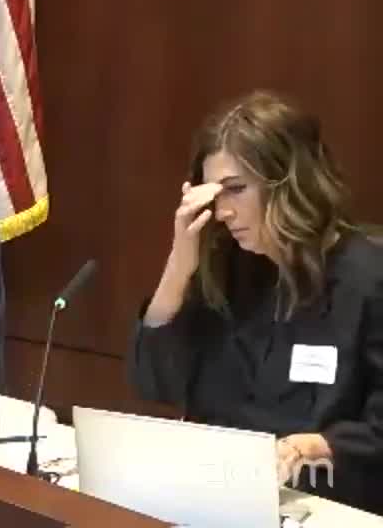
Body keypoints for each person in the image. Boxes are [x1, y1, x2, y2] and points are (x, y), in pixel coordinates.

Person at [129, 90, 383, 514]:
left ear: (290, 181)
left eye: (235, 190)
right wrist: (177, 268)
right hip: (218, 500)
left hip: (326, 504)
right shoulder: (228, 268)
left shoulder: (369, 277)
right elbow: (152, 384)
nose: (222, 212)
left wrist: (320, 445)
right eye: (214, 196)